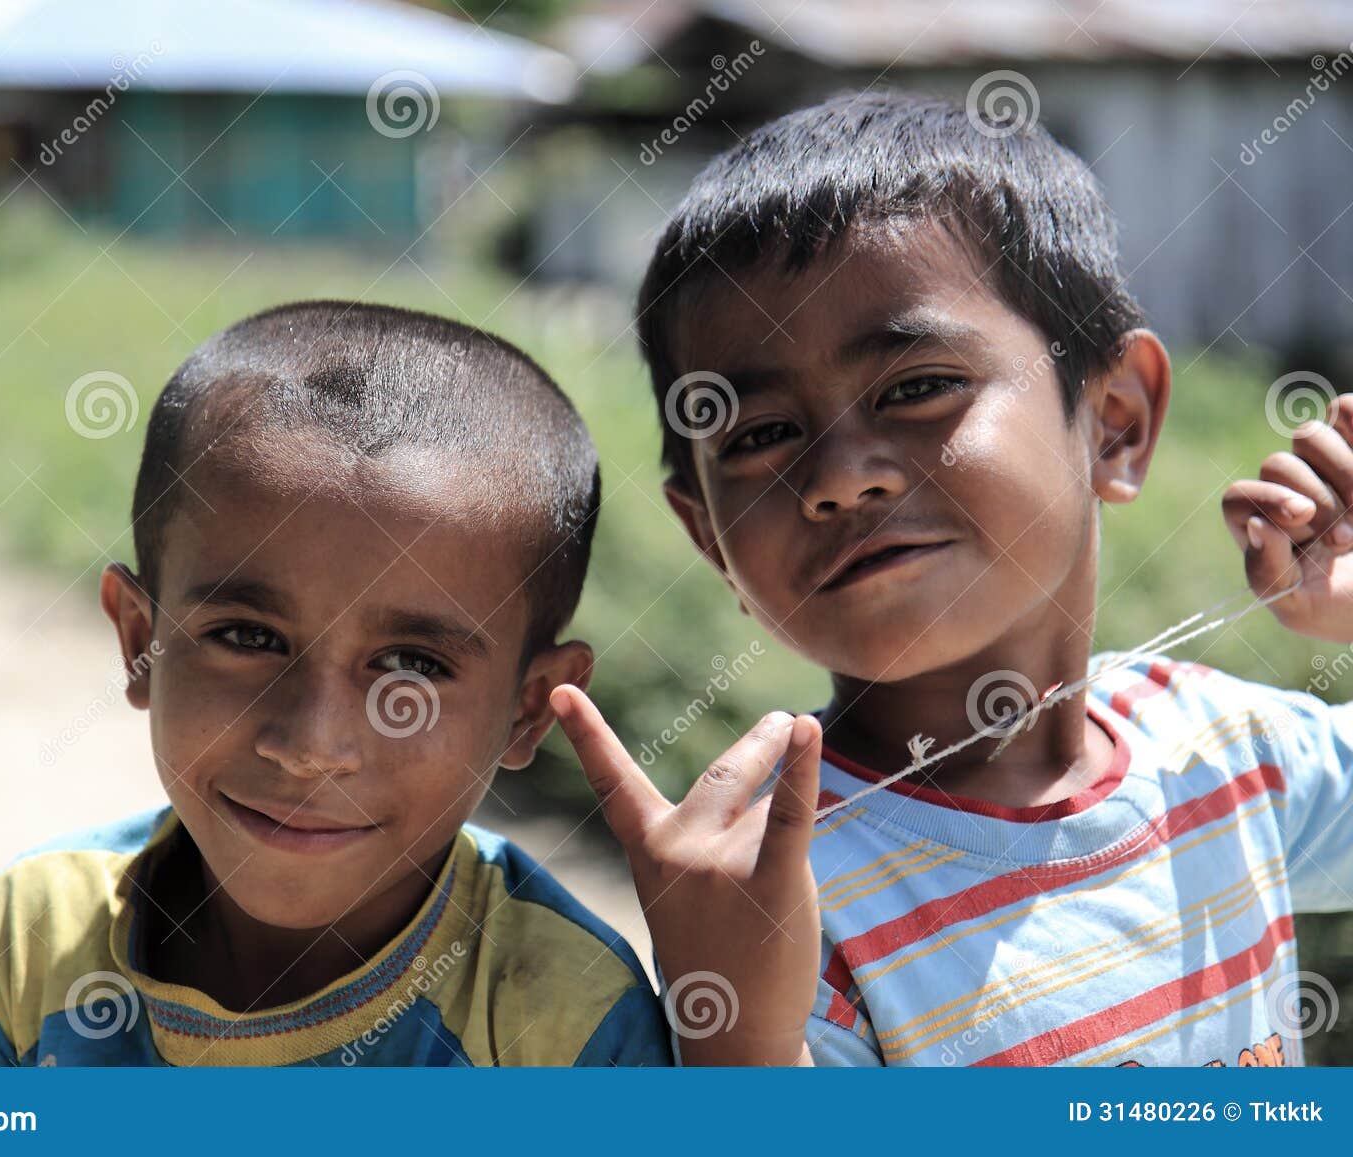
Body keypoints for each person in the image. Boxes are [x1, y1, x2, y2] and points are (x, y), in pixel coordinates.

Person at [551, 90, 1353, 1066]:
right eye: (760, 435)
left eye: (917, 387)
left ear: (1113, 420)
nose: (841, 476)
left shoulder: (1226, 750)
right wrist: (744, 1036)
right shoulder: (781, 899)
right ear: (710, 538)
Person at [0, 301, 671, 1067]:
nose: (309, 745)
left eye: (413, 665)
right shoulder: (32, 946)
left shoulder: (563, 1020)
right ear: (141, 640)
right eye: (247, 637)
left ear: (527, 708)